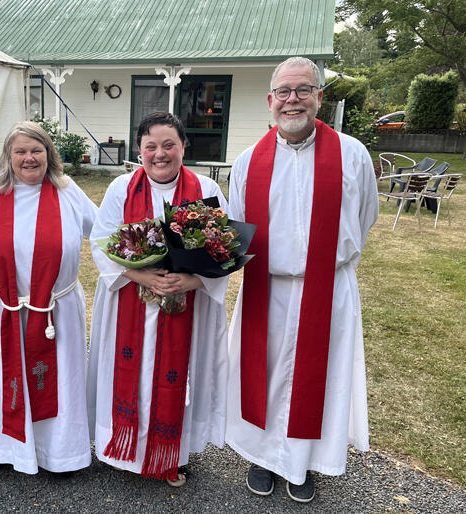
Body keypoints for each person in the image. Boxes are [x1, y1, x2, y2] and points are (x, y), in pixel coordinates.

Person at [225, 56, 378, 503]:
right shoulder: (248, 161)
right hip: (266, 288)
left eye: (303, 90)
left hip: (327, 289)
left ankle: (302, 464)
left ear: (319, 97)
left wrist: (327, 260)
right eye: (284, 92)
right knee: (264, 377)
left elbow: (365, 216)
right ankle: (262, 456)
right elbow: (238, 227)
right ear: (270, 100)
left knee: (319, 380)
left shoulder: (352, 155)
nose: (293, 100)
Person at [87, 112, 229, 487]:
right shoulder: (122, 188)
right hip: (129, 305)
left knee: (175, 379)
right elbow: (101, 242)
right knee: (133, 375)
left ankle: (171, 455)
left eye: (169, 145)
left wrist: (192, 280)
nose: (160, 154)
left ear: (184, 146)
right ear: (140, 150)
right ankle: (125, 451)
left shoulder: (205, 190)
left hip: (186, 307)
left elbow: (224, 249)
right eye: (151, 146)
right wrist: (141, 275)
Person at [0, 121, 97, 474]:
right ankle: (4, 450)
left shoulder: (67, 191)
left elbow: (105, 230)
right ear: (8, 156)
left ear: (49, 154)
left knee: (59, 381)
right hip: (1, 308)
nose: (29, 158)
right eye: (20, 151)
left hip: (56, 311)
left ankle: (60, 454)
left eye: (36, 150)